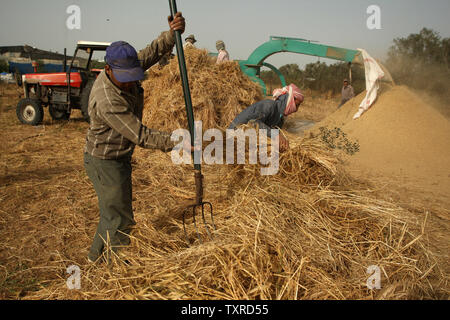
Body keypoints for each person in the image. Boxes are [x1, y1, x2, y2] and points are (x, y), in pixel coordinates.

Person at [84, 12, 187, 263]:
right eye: (126, 79)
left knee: (113, 213)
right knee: (120, 218)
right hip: (105, 160)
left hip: (117, 157)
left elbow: (152, 51)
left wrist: (172, 33)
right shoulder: (107, 99)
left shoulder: (125, 66)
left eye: (133, 76)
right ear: (108, 69)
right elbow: (140, 134)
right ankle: (116, 269)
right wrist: (178, 141)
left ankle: (94, 261)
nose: (130, 83)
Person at [228, 84, 304, 152]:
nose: (296, 110)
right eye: (296, 105)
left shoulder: (279, 119)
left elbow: (269, 134)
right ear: (289, 100)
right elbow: (253, 123)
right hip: (233, 139)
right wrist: (276, 135)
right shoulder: (269, 105)